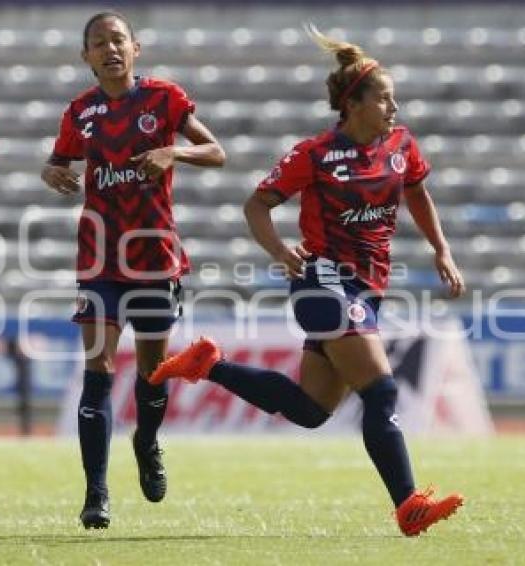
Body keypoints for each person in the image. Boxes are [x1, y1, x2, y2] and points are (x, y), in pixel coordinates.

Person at [150, 25, 466, 537]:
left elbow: (417, 194)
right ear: (353, 104)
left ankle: (210, 365)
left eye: (394, 98)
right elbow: (257, 204)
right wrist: (278, 249)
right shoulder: (314, 154)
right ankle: (409, 505)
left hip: (366, 288)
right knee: (382, 392)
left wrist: (441, 248)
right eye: (384, 98)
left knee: (313, 409)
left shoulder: (401, 146)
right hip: (323, 282)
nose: (394, 107)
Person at [41, 11, 226, 529]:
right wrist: (52, 171)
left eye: (117, 40)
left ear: (135, 48)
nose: (109, 49)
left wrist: (174, 152)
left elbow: (217, 151)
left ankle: (145, 441)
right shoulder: (80, 112)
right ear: (86, 56)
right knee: (97, 371)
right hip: (99, 257)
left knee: (151, 373)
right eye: (98, 43)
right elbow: (58, 161)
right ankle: (96, 494)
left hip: (154, 256)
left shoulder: (164, 98)